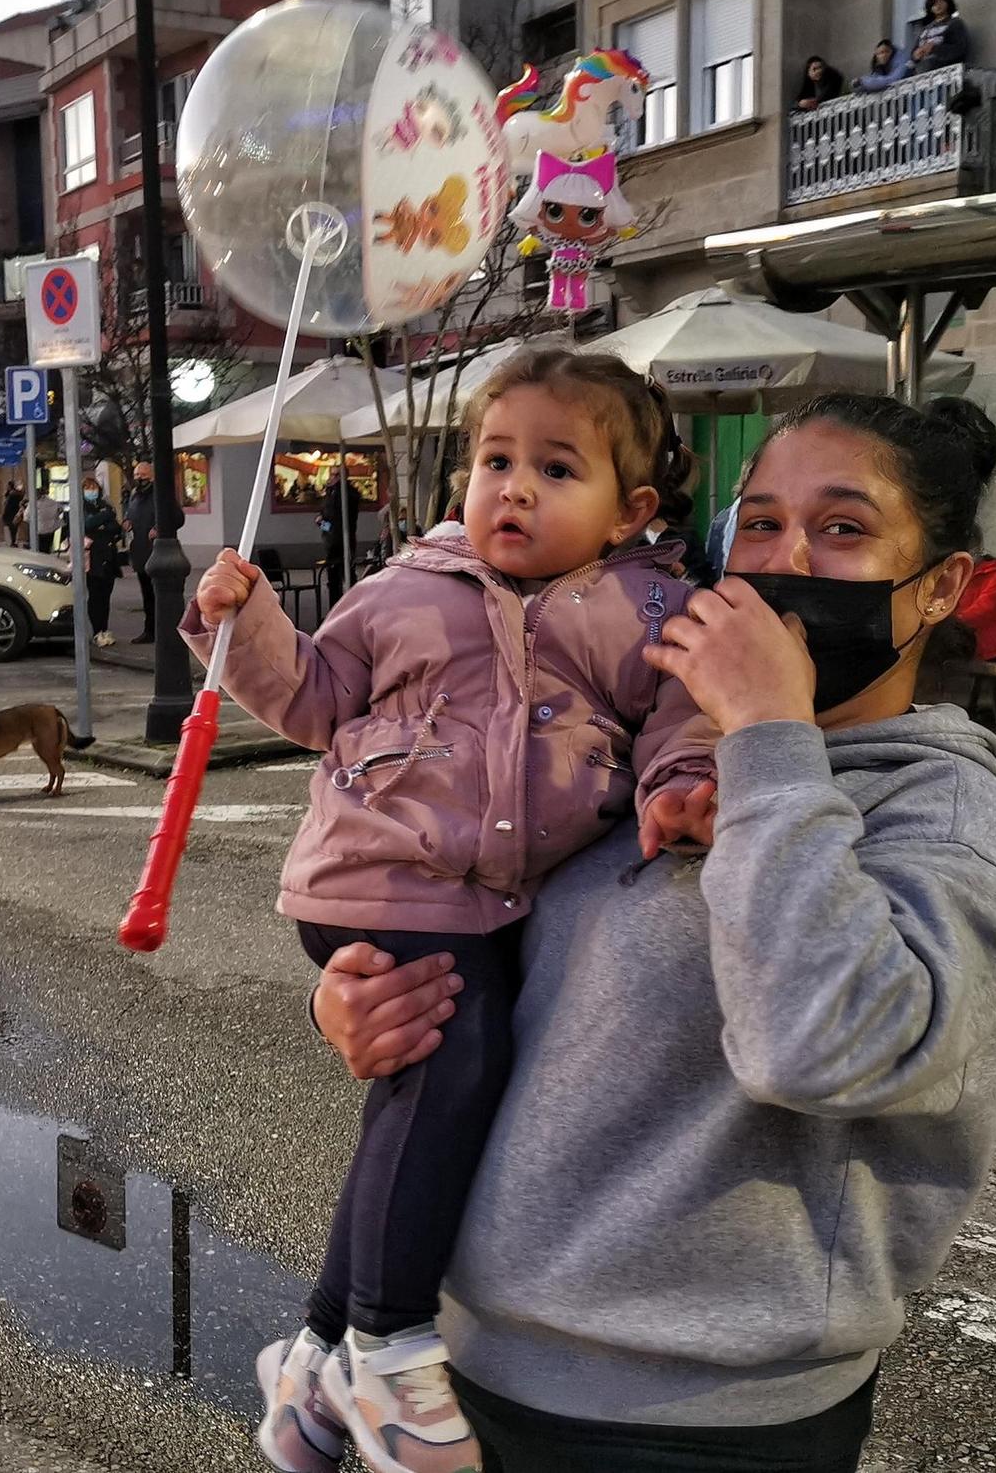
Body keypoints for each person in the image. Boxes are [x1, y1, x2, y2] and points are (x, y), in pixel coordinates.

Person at [303, 393, 996, 1473]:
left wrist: (769, 736)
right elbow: (506, 946)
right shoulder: (649, 737)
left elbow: (820, 1048)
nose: (785, 558)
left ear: (941, 587)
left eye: (841, 529)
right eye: (761, 522)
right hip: (466, 1368)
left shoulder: (937, 812)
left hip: (693, 1423)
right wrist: (367, 996)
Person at [189, 348, 715, 1473]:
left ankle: (315, 1356)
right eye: (493, 461)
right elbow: (313, 701)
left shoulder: (645, 609)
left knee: (428, 1106)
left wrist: (679, 786)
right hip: (375, 877)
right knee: (454, 1070)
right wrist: (245, 627)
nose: (512, 488)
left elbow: (681, 718)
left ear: (630, 509)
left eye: (553, 468)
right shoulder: (404, 589)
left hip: (492, 899)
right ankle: (385, 1352)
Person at [123, 459, 183, 644]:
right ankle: (150, 631)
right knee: (148, 596)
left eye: (143, 475)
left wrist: (160, 527)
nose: (140, 478)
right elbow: (130, 515)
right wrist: (127, 522)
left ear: (152, 476)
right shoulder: (135, 495)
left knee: (162, 596)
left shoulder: (162, 494)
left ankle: (167, 631)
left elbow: (178, 517)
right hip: (141, 552)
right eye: (137, 475)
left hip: (160, 553)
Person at [62, 472, 125, 648]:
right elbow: (85, 526)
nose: (92, 491)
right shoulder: (78, 509)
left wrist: (101, 525)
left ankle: (104, 629)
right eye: (88, 489)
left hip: (108, 559)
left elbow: (116, 529)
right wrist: (103, 519)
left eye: (94, 488)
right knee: (95, 597)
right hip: (91, 560)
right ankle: (97, 631)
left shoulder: (105, 506)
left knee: (105, 597)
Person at [317, 470, 363, 612]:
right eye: (331, 474)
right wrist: (322, 523)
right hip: (333, 539)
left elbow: (336, 522)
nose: (331, 477)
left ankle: (349, 606)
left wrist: (322, 523)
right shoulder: (332, 493)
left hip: (341, 538)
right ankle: (338, 607)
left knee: (345, 574)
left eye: (335, 475)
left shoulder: (344, 494)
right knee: (337, 576)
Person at [958, 552, 996, 661]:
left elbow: (984, 611)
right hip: (953, 644)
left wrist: (948, 622)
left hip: (985, 649)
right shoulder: (954, 573)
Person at [910, 0, 970, 74]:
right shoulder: (925, 29)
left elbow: (959, 49)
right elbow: (913, 54)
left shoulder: (955, 24)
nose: (938, 4)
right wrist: (915, 55)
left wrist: (934, 48)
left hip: (946, 75)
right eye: (934, 2)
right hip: (922, 77)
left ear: (948, 2)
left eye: (941, 0)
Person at [33, 486, 62, 554]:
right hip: (50, 528)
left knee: (39, 549)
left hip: (39, 529)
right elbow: (60, 509)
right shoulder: (52, 502)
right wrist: (55, 516)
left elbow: (26, 516)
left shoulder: (34, 503)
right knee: (47, 546)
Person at [2, 479, 26, 546]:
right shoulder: (17, 494)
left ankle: (12, 542)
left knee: (11, 527)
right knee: (14, 528)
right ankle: (13, 541)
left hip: (10, 512)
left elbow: (6, 504)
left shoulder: (11, 495)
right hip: (15, 512)